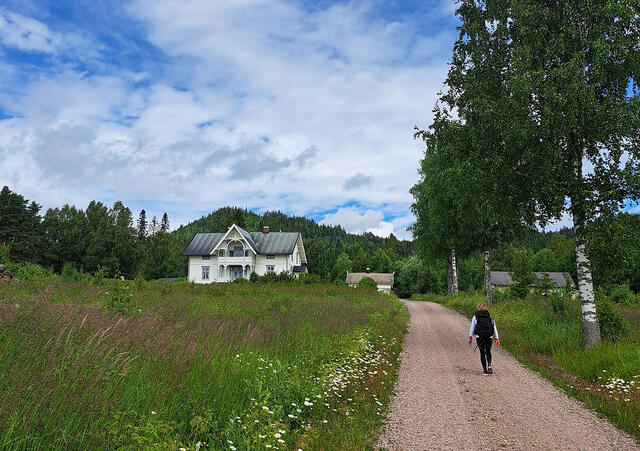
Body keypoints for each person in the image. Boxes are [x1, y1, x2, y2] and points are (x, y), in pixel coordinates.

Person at [468, 303, 500, 375]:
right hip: (489, 336)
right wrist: (497, 338)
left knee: (482, 353)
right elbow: (494, 327)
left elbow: (472, 327)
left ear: (478, 308)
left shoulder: (475, 317)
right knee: (488, 351)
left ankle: (485, 371)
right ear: (485, 308)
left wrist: (470, 337)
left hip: (479, 336)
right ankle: (489, 365)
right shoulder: (489, 316)